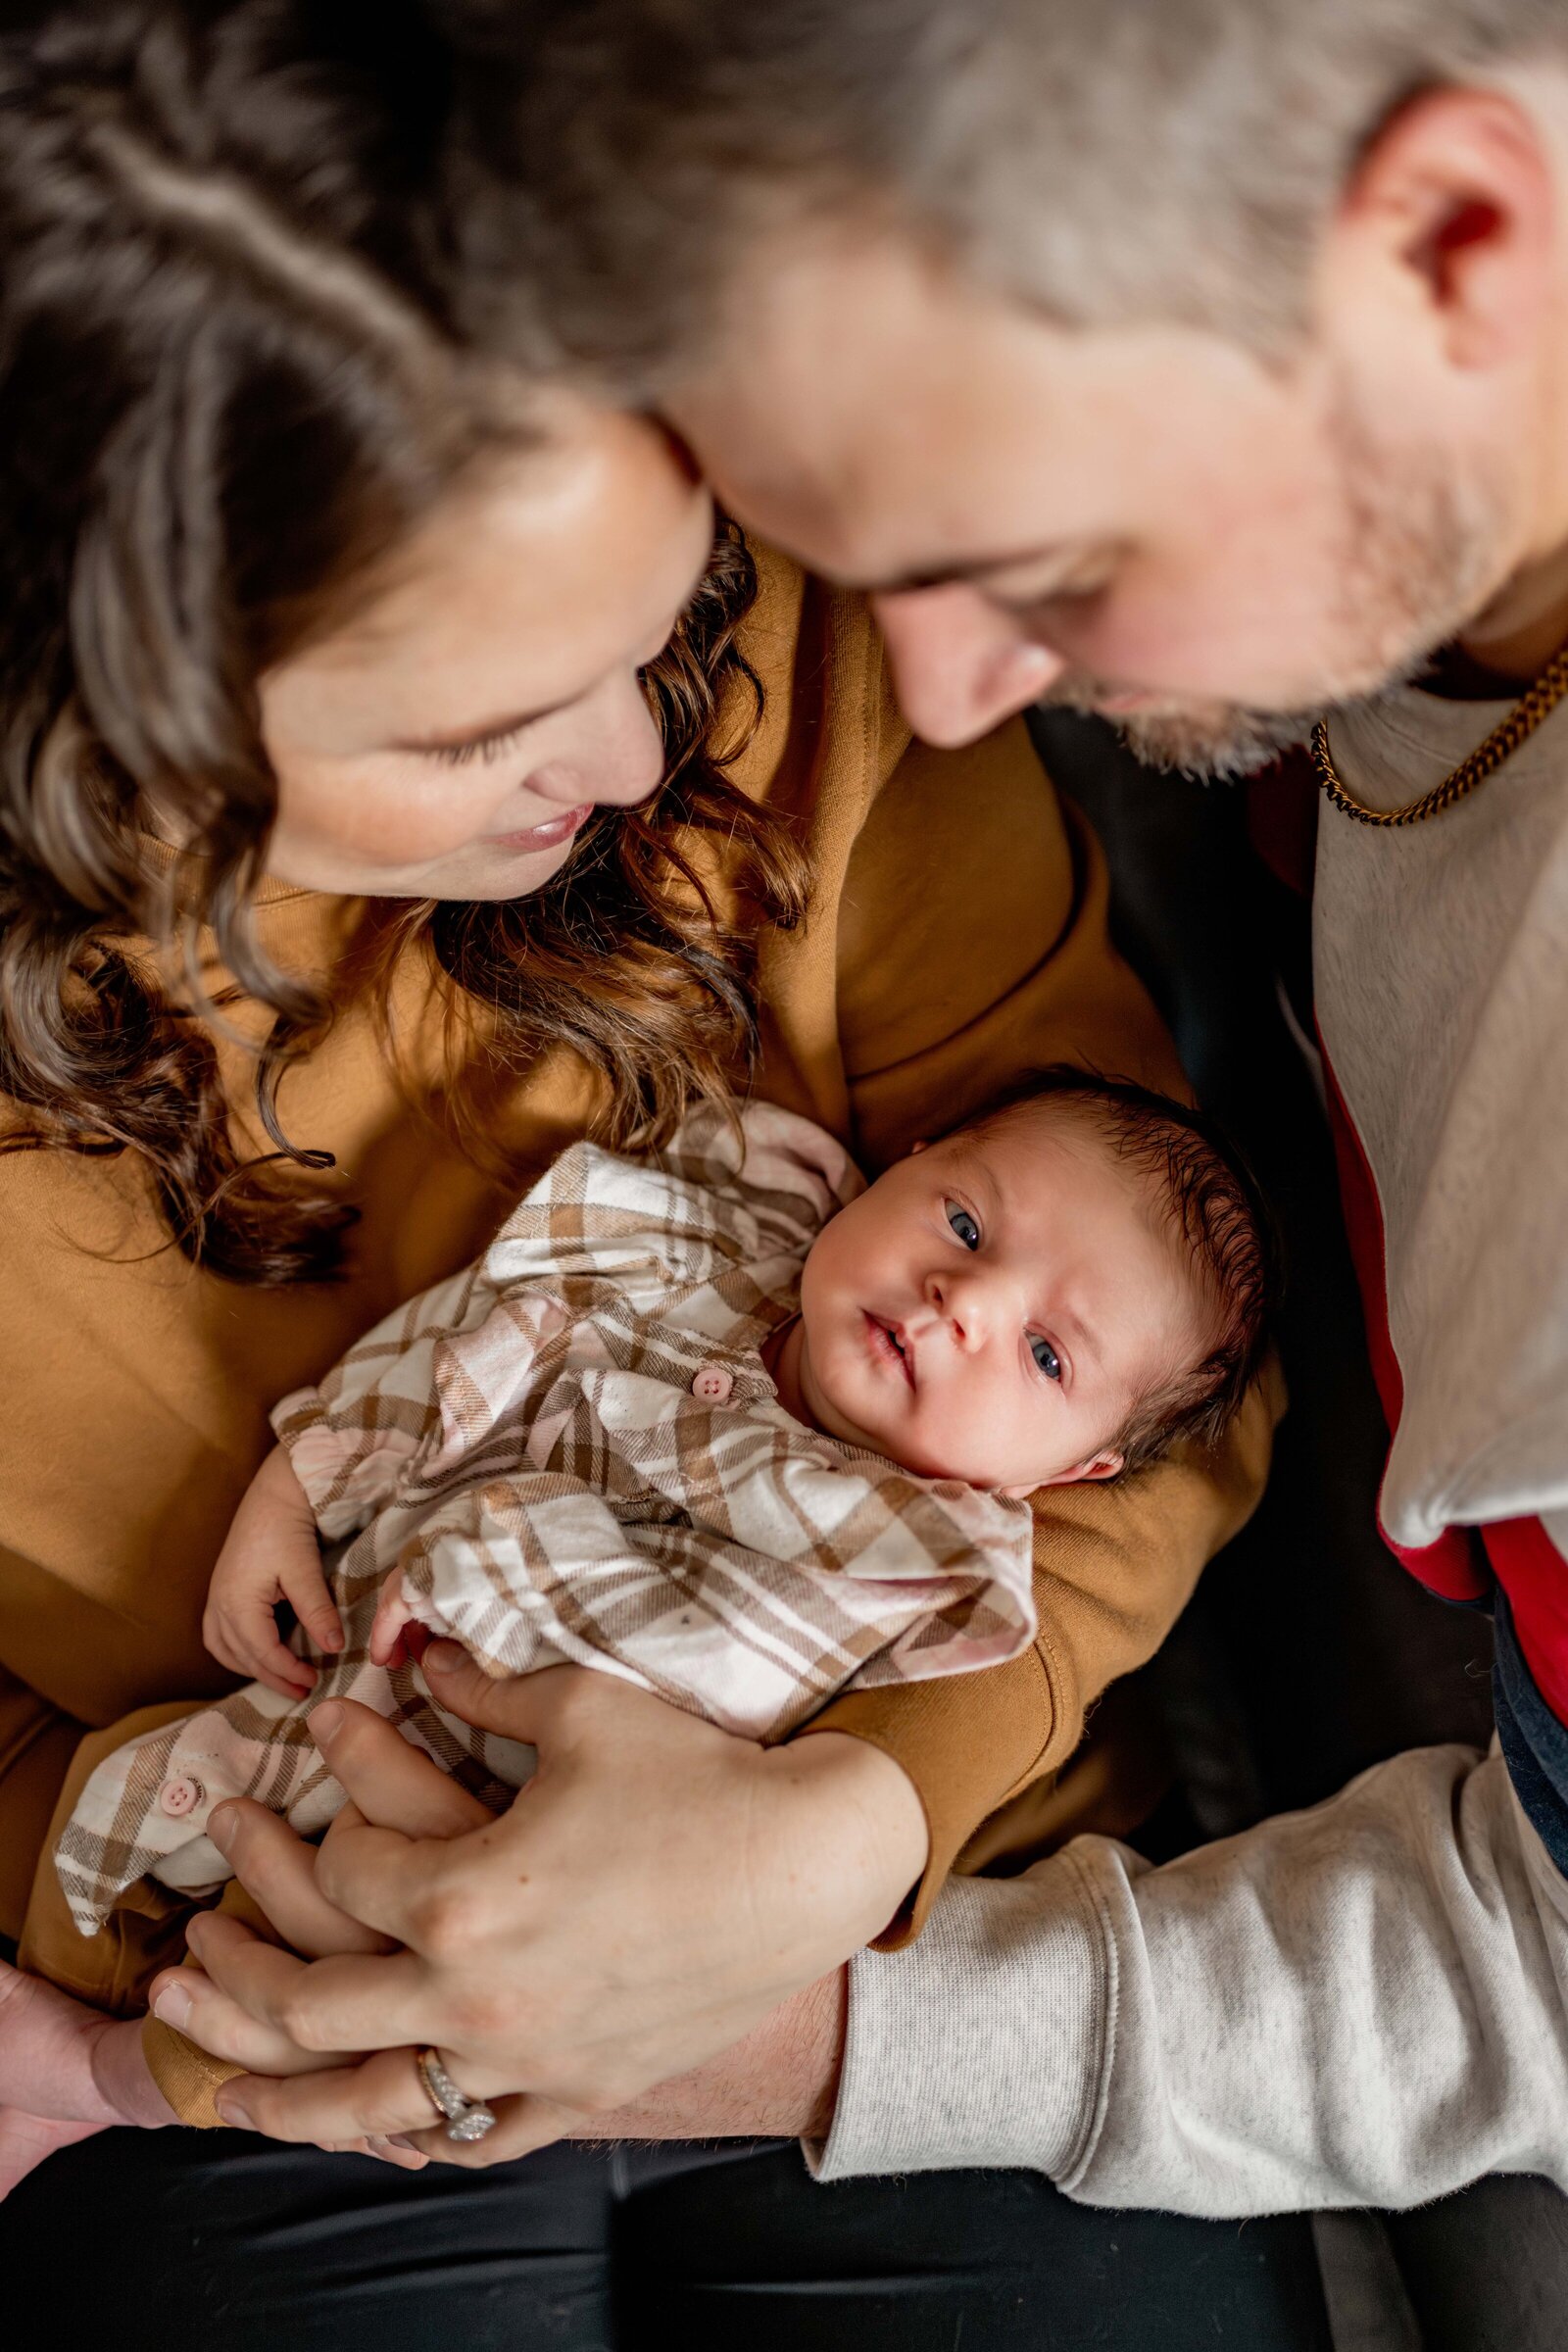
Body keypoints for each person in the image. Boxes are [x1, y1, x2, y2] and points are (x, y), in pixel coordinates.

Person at [0, 6, 1306, 2343]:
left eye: (655, 616)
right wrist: (181, 1961)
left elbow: (1162, 1351)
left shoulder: (789, 652)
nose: (631, 751)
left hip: (912, 1908)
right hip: (265, 1994)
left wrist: (851, 1824)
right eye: (482, 722)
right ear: (110, 722)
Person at [291, 0, 1568, 2229]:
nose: (962, 692)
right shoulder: (1389, 549)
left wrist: (797, 2005)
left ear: (1455, 240)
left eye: (1047, 563)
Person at [23, 1070, 1270, 2167]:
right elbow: (487, 1328)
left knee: (255, 2007)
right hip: (328, 1665)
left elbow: (694, 1663)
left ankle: (95, 2088)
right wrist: (301, 1478)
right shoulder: (717, 1227)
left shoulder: (907, 1556)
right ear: (911, 1156)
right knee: (126, 1816)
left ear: (1069, 1474)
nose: (964, 1298)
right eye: (963, 1220)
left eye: (1047, 1357)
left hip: (483, 1833)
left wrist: (489, 1565)